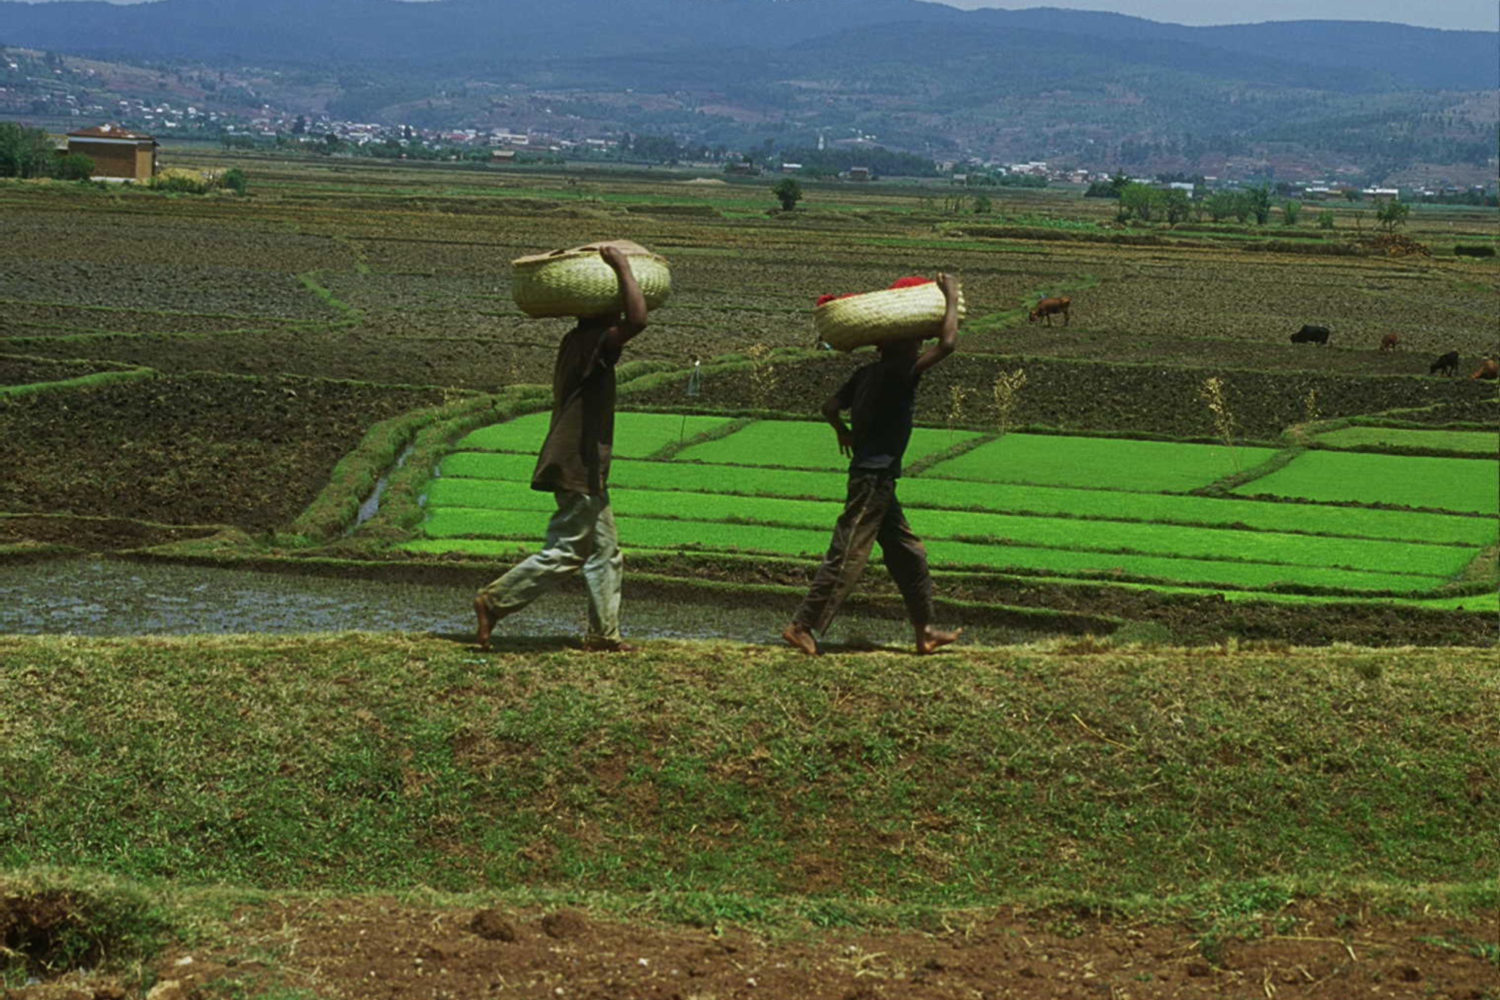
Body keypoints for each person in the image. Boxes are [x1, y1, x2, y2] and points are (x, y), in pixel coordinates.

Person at [475, 243, 647, 652]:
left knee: (606, 551)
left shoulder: (580, 339)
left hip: (584, 463)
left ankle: (603, 635)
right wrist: (623, 266)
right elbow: (638, 319)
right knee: (567, 552)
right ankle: (493, 601)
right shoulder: (594, 341)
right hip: (576, 462)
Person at [782, 273, 963, 656]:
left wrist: (843, 432)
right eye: (916, 338)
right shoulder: (901, 372)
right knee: (848, 552)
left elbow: (829, 407)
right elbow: (947, 344)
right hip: (873, 477)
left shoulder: (866, 373)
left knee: (909, 552)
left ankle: (925, 630)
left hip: (878, 477)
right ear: (901, 344)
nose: (921, 343)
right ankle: (802, 625)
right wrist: (951, 297)